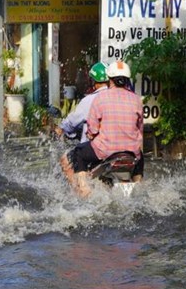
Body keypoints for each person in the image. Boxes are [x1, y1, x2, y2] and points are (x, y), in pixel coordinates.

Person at [61, 60, 144, 197]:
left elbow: (92, 130)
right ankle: (138, 187)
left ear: (110, 79)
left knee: (78, 153)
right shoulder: (136, 100)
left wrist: (92, 136)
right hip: (131, 152)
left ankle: (84, 191)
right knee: (139, 155)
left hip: (105, 150)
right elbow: (139, 130)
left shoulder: (99, 98)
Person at [54, 62, 109, 142]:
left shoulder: (89, 100)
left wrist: (61, 127)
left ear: (93, 81)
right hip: (120, 146)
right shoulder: (120, 97)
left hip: (94, 148)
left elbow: (72, 121)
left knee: (66, 154)